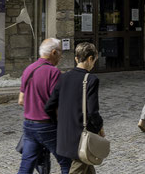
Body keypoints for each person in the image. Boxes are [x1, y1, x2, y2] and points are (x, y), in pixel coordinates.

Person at [44, 42, 104, 174]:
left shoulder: (63, 77)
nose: (93, 64)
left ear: (76, 58)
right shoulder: (91, 79)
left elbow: (49, 106)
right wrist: (99, 128)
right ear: (90, 58)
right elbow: (93, 112)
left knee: (88, 168)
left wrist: (59, 123)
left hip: (64, 135)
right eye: (94, 61)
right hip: (81, 138)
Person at [18, 38, 72, 174]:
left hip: (29, 125)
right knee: (66, 163)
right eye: (60, 52)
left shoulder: (28, 69)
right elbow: (57, 103)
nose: (61, 56)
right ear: (54, 52)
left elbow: (21, 100)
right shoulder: (54, 73)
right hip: (47, 125)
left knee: (26, 164)